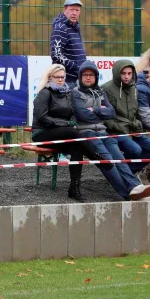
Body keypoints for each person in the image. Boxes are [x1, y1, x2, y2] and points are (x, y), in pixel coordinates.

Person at [72, 60, 150, 201]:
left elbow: (111, 112)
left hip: (103, 132)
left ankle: (135, 187)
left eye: (91, 75)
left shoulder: (99, 91)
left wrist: (95, 109)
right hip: (86, 133)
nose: (88, 77)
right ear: (80, 76)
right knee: (108, 161)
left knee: (119, 158)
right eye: (85, 75)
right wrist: (101, 111)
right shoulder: (75, 93)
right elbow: (83, 115)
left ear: (96, 77)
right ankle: (128, 194)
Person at [32, 64, 112, 202]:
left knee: (77, 147)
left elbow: (72, 114)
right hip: (43, 132)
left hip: (64, 132)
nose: (60, 80)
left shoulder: (67, 92)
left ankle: (74, 188)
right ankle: (94, 156)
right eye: (57, 77)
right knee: (72, 132)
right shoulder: (44, 93)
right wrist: (66, 124)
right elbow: (42, 118)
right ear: (50, 77)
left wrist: (71, 123)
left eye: (63, 77)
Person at [101, 59, 150, 180]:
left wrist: (137, 123)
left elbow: (136, 113)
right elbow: (102, 116)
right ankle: (125, 176)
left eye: (129, 73)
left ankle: (126, 173)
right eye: (123, 73)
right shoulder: (105, 89)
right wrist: (116, 126)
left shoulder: (134, 88)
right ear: (116, 73)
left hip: (133, 129)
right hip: (115, 131)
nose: (126, 76)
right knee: (135, 150)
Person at [50, 0, 86, 86]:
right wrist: (75, 66)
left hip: (77, 78)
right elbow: (56, 55)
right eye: (72, 10)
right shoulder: (60, 28)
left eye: (77, 10)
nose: (74, 13)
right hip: (66, 80)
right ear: (65, 10)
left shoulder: (74, 27)